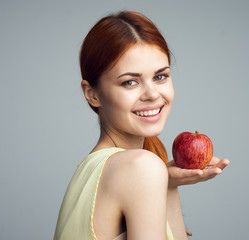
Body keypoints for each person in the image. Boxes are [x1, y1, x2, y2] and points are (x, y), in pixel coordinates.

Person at [54, 11, 230, 240]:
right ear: (92, 94)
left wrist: (169, 185)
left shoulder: (92, 171)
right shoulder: (139, 167)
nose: (152, 94)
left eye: (160, 77)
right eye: (130, 82)